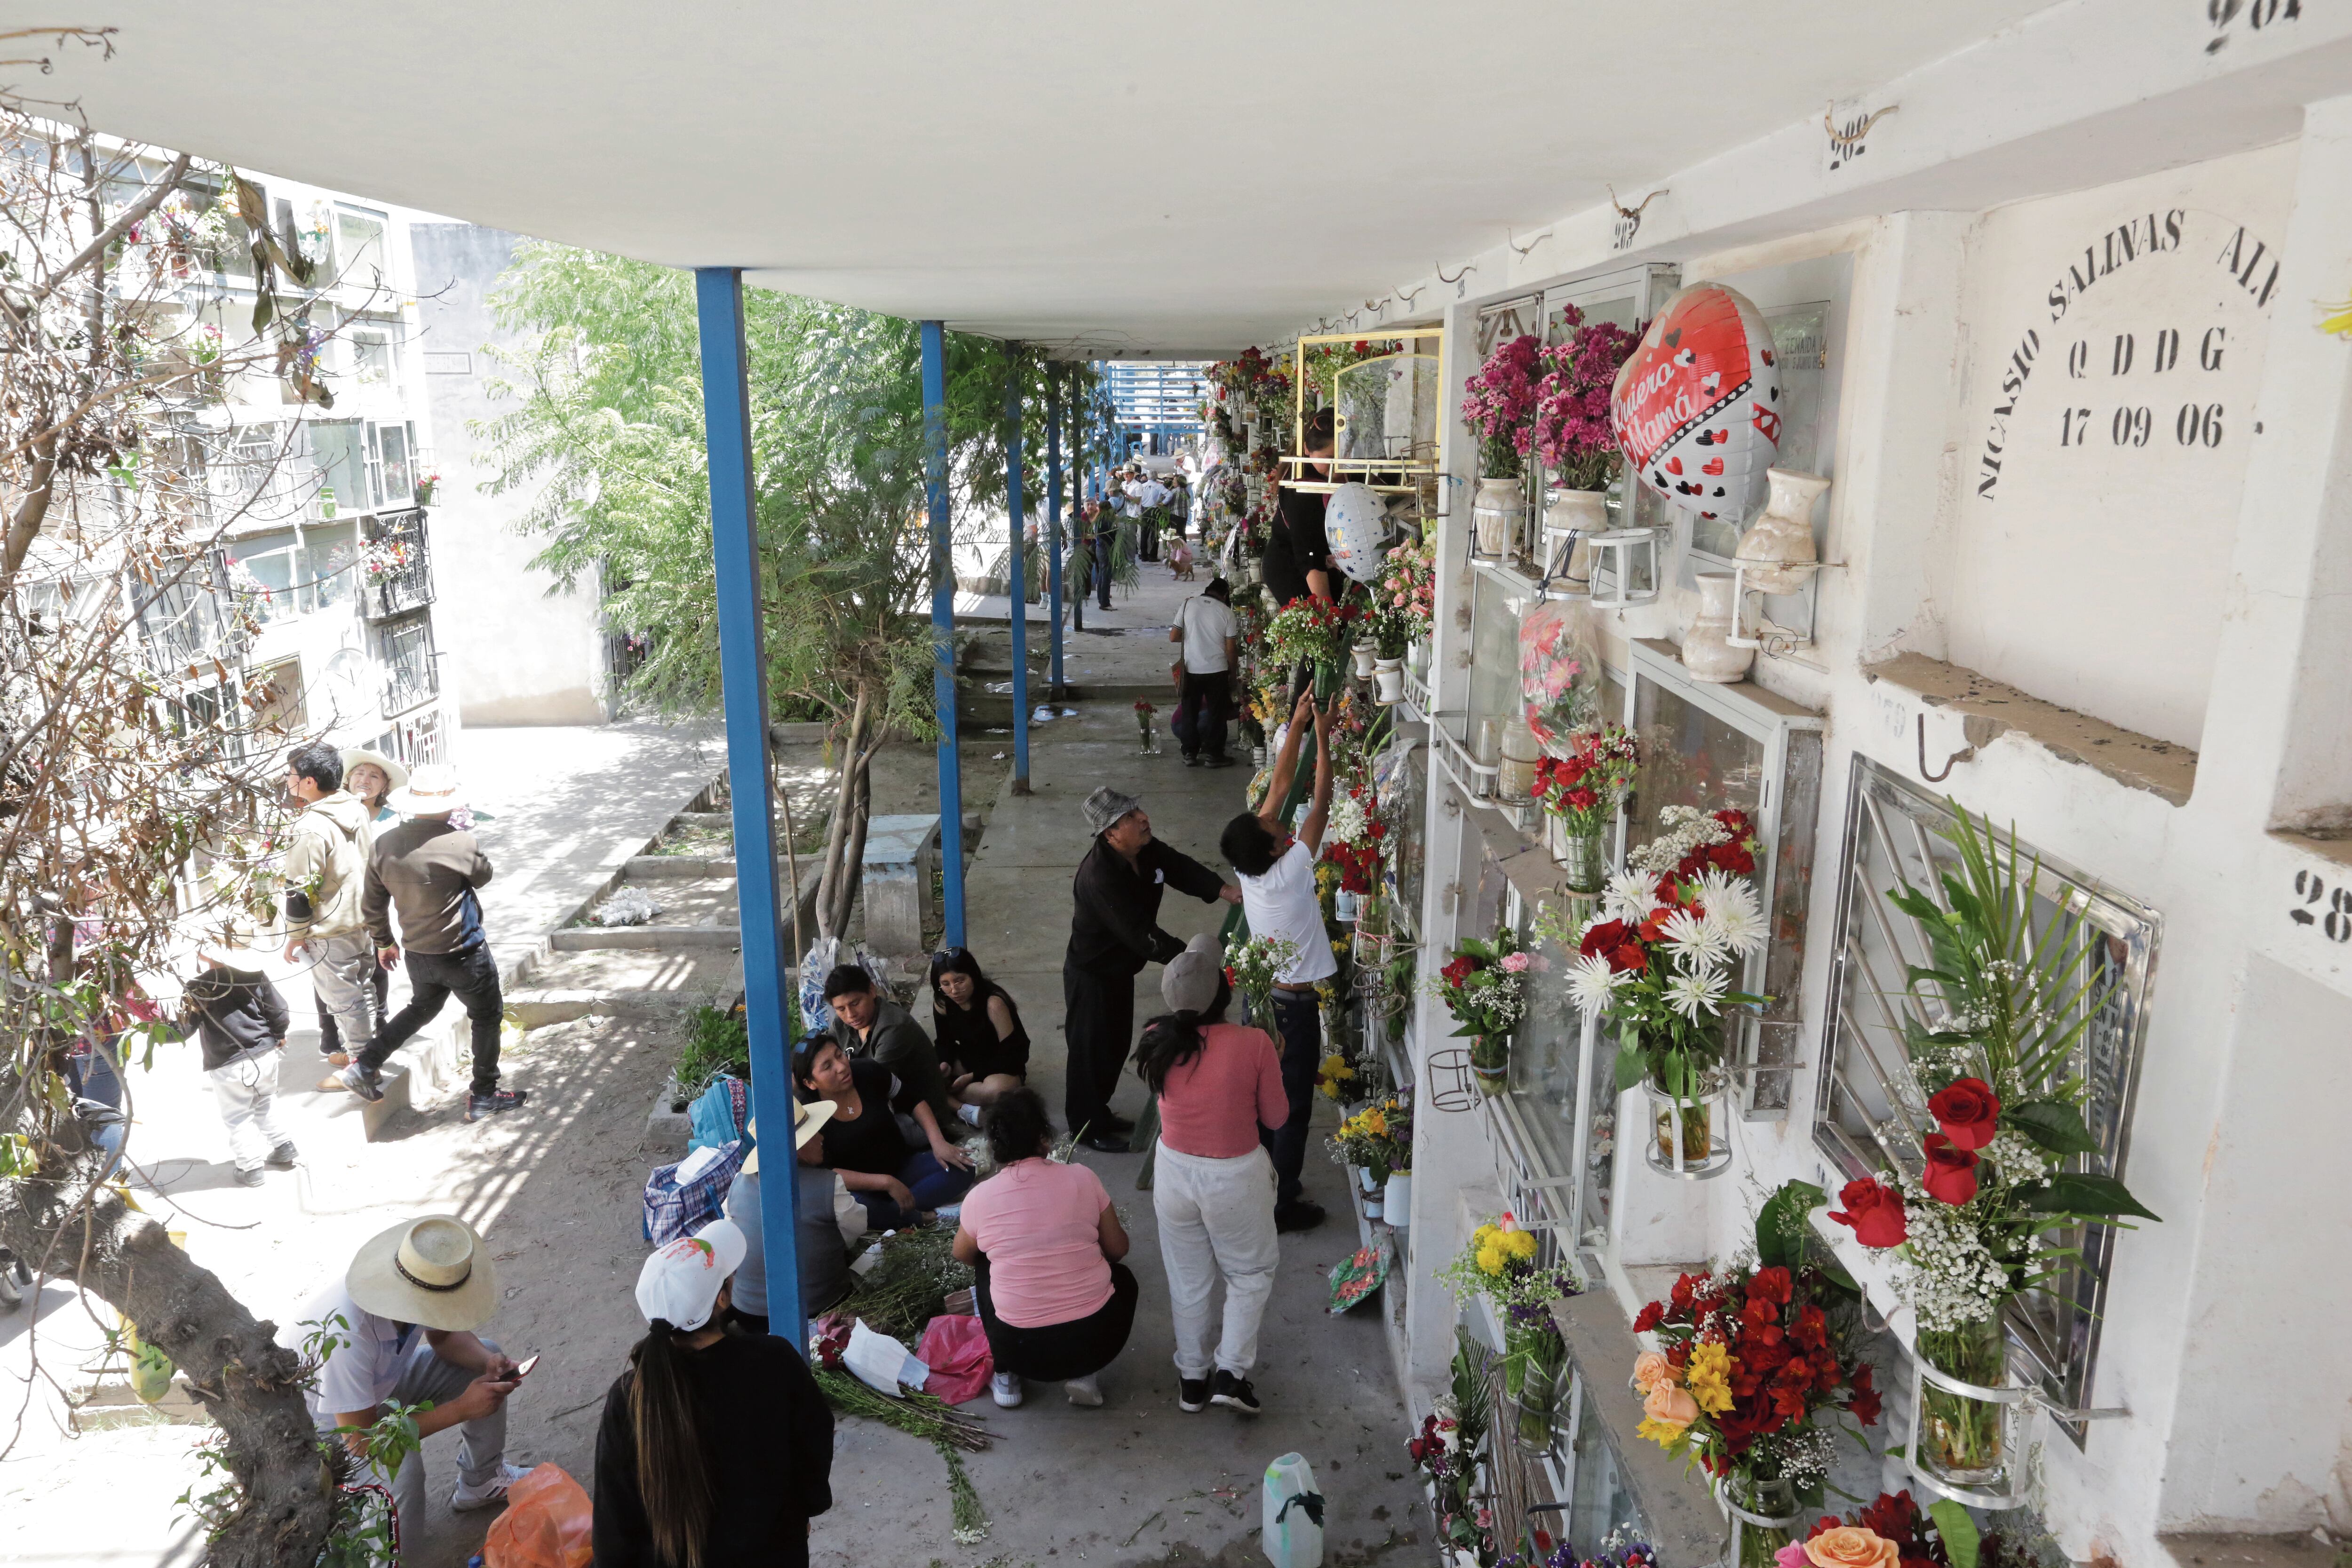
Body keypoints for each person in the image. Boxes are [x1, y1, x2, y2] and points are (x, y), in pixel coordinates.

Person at [592, 1218, 835, 1568]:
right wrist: (804, 1509)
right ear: (722, 1298)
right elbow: (814, 1440)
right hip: (775, 1552)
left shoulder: (631, 1398)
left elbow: (614, 1525)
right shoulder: (774, 1361)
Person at [286, 1215, 530, 1529]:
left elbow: (443, 1336)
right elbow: (362, 1442)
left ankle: (479, 1481)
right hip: (329, 1431)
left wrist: (487, 1361)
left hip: (378, 1390)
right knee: (400, 1465)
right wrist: (461, 1409)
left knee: (483, 1359)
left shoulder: (418, 1281)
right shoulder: (348, 1336)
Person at [1136, 933, 1286, 1417]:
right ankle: (1230, 1373)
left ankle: (1192, 1380)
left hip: (1174, 1173)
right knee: (1249, 1273)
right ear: (1224, 992)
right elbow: (1277, 1118)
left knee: (1188, 1280)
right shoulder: (1253, 1043)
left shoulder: (1155, 1039)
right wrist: (1273, 1064)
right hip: (1234, 1176)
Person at [343, 763, 528, 1122]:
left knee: (421, 1008)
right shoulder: (458, 841)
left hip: (418, 953)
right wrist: (462, 840)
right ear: (449, 804)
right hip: (464, 953)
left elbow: (372, 904)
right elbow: (484, 876)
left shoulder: (384, 844)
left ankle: (364, 1065)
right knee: (487, 1016)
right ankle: (485, 1094)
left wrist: (385, 942)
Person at [1062, 786, 1241, 1153]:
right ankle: (1085, 1126)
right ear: (1110, 833)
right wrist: (1192, 961)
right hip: (1092, 973)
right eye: (1129, 817)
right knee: (1090, 1049)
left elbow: (1179, 867)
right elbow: (1141, 935)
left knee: (1114, 1045)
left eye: (1138, 810)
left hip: (1119, 969)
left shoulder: (1144, 849)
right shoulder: (1099, 877)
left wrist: (1223, 889)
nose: (1142, 818)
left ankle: (1101, 1112)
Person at [1218, 691, 1337, 1233]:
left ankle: (1259, 1183)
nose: (1278, 825)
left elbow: (1281, 787)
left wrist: (1295, 723)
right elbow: (1318, 803)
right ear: (1271, 849)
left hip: (1262, 998)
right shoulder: (1290, 870)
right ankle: (1280, 1201)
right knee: (1290, 1105)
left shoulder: (1251, 867)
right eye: (1274, 831)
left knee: (1261, 1096)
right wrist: (1325, 737)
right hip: (1291, 1004)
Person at [952, 1087, 1137, 1410]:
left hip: (1021, 1351)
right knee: (1123, 1278)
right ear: (1044, 1138)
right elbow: (1118, 1249)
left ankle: (1007, 1374)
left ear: (995, 1146)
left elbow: (962, 1253)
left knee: (985, 1261)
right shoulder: (1083, 1177)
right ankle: (1084, 1374)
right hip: (1099, 1341)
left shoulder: (980, 1198)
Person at [793, 1035, 973, 1228]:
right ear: (810, 1083)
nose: (842, 1067)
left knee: (964, 1167)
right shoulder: (808, 1114)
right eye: (827, 1067)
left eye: (839, 1055)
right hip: (862, 1191)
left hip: (902, 1167)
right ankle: (925, 1217)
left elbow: (912, 1101)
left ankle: (894, 1215)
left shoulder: (867, 1071)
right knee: (859, 1208)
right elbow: (829, 1174)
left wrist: (938, 1142)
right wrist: (886, 1183)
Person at [278, 740, 379, 1075]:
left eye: (291, 773)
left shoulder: (309, 827)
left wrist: (295, 935)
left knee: (344, 1001)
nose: (287, 779)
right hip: (362, 921)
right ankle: (364, 1055)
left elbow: (300, 889)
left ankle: (362, 1070)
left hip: (331, 929)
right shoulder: (356, 808)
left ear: (309, 781)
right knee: (362, 992)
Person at [720, 1101, 852, 1334]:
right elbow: (853, 1234)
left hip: (748, 1313)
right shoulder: (830, 1185)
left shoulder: (739, 1184)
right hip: (818, 1309)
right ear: (798, 1148)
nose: (821, 1137)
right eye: (813, 1134)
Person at [183, 926, 296, 1188]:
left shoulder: (198, 987)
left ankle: (251, 1167)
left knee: (238, 1116)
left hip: (229, 1064)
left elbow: (181, 1030)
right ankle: (284, 1145)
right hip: (265, 1053)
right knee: (265, 1101)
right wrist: (278, 1033)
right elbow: (280, 1010)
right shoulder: (255, 975)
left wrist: (152, 1024)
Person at [315, 747, 404, 1081]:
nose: (365, 780)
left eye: (375, 775)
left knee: (375, 967)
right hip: (338, 910)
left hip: (374, 905)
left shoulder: (392, 819)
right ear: (348, 778)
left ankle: (377, 1031)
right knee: (330, 977)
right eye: (360, 774)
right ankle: (332, 1038)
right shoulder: (328, 813)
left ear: (384, 786)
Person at [822, 964, 962, 1137]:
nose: (850, 1015)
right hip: (884, 1104)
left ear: (872, 991)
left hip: (919, 1121)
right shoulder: (842, 1023)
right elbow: (819, 1053)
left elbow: (868, 1086)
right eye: (841, 1009)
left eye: (855, 1003)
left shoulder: (894, 1028)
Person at [928, 947, 1030, 1115]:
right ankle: (963, 1107)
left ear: (973, 976)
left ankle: (949, 1099)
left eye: (960, 981)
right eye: (945, 984)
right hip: (968, 1059)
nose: (954, 991)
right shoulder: (943, 1003)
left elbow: (1016, 1055)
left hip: (1000, 1065)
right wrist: (944, 1063)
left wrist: (972, 1077)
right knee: (927, 1072)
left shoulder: (993, 1003)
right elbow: (944, 1042)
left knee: (996, 1091)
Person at [1262, 406, 1337, 610]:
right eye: (1329, 459)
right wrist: (1328, 617)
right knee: (1315, 623)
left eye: (1342, 457)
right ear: (1307, 449)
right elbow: (1309, 558)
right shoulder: (1302, 489)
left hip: (1318, 560)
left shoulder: (1330, 470)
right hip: (1291, 569)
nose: (1337, 467)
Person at [1168, 576, 1238, 769]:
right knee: (1217, 713)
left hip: (1192, 669)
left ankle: (1190, 753)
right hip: (1217, 670)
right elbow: (1231, 649)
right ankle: (1214, 756)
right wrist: (1233, 674)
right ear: (1225, 595)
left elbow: (1174, 637)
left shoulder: (1187, 605)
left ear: (1207, 590)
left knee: (1189, 711)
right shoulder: (1227, 613)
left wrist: (1193, 633)